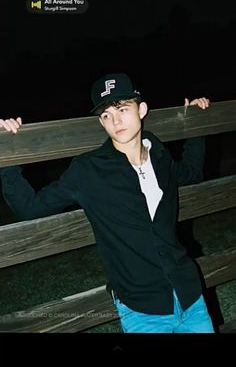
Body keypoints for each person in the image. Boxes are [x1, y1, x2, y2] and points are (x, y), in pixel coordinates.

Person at [0, 73, 214, 333]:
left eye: (122, 108)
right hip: (141, 307)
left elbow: (191, 173)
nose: (115, 120)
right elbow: (30, 207)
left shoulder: (158, 153)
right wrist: (6, 152)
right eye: (106, 115)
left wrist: (197, 123)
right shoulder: (88, 171)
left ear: (142, 109)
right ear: (101, 122)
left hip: (189, 293)